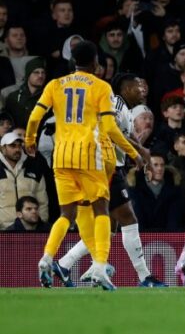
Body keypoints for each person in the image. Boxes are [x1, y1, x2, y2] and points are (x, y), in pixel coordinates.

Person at [27, 41, 143, 291]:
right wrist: (135, 152)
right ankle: (100, 267)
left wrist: (29, 141)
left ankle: (47, 259)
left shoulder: (55, 84)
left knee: (66, 215)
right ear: (95, 63)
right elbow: (110, 128)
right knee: (102, 211)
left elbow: (35, 116)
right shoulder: (101, 87)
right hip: (90, 156)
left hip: (61, 158)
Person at [53, 73, 166, 287]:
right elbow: (110, 132)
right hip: (104, 168)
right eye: (136, 85)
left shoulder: (126, 109)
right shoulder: (114, 103)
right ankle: (145, 277)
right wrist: (139, 151)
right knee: (128, 219)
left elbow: (125, 135)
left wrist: (139, 152)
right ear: (124, 88)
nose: (142, 89)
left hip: (111, 167)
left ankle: (65, 264)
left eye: (143, 85)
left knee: (109, 227)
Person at [0, 131, 50, 230]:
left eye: (19, 146)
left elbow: (42, 200)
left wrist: (42, 223)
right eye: (12, 146)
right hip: (3, 230)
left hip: (32, 229)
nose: (17, 149)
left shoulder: (34, 167)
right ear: (3, 148)